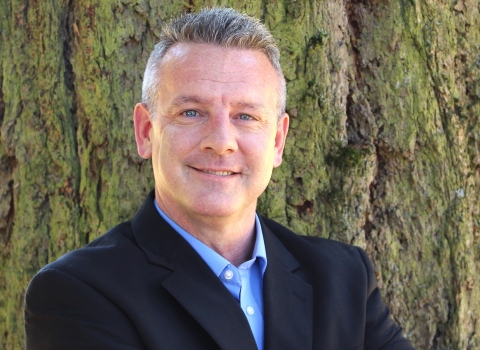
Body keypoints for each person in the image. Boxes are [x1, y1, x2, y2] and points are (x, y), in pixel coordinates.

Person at [24, 7, 414, 350]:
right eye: (192, 112)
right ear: (146, 132)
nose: (221, 142)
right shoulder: (78, 293)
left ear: (277, 141)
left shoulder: (342, 277)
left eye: (245, 116)